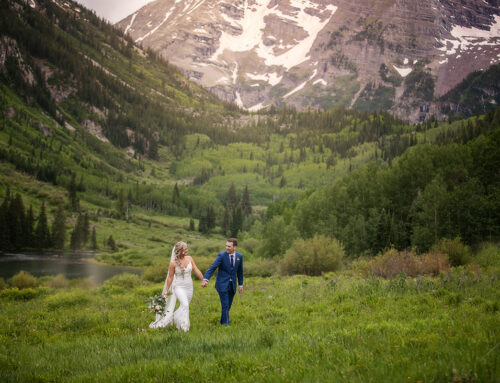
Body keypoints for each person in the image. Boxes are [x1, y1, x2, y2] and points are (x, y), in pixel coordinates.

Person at [149, 241, 204, 331]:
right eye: (185, 249)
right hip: (179, 287)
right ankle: (184, 328)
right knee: (185, 305)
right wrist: (166, 290)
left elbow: (196, 269)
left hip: (189, 287)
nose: (187, 250)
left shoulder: (190, 258)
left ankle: (173, 318)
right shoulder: (173, 263)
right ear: (180, 251)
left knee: (184, 306)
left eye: (186, 248)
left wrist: (203, 280)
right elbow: (170, 277)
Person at [202, 238, 243, 325]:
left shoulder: (239, 257)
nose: (227, 248)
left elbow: (240, 271)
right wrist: (206, 279)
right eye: (226, 246)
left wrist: (240, 285)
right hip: (222, 284)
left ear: (235, 247)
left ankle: (222, 321)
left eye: (229, 246)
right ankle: (225, 325)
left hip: (233, 285)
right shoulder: (221, 256)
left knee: (228, 306)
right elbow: (213, 267)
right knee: (225, 305)